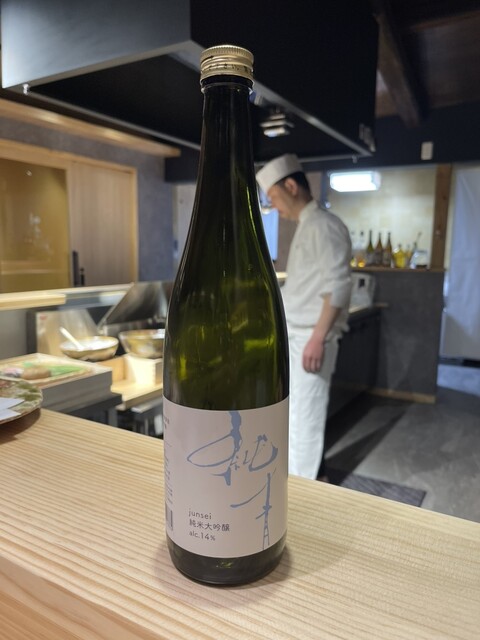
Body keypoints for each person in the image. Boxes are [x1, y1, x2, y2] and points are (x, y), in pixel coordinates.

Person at [256, 154, 352, 480]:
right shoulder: (307, 225)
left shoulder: (324, 226)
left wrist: (317, 339)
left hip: (310, 339)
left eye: (273, 197)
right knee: (295, 418)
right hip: (297, 338)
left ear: (291, 186)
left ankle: (303, 494)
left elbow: (338, 286)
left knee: (305, 422)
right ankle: (296, 485)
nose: (273, 206)